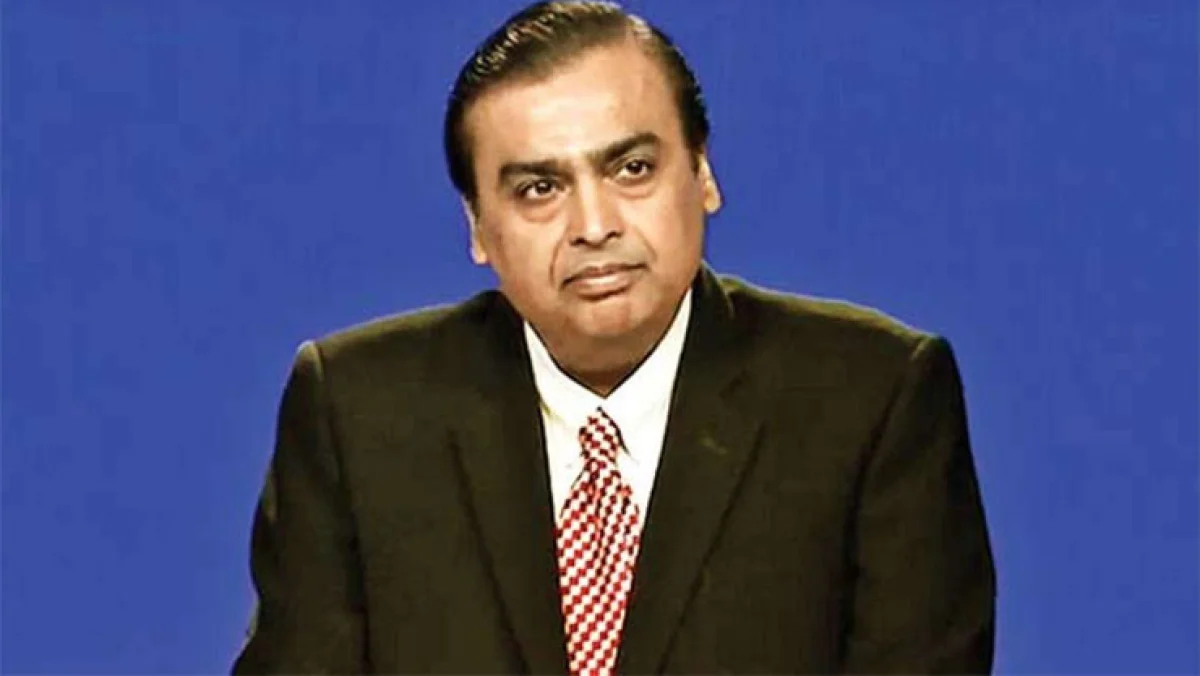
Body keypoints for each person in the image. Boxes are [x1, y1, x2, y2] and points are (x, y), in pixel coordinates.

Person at [232, 1, 996, 673]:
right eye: (540, 188)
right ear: (477, 227)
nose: (594, 226)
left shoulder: (873, 400)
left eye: (631, 168)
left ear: (702, 174)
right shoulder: (357, 412)